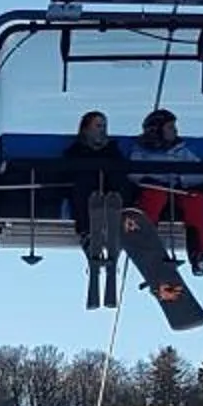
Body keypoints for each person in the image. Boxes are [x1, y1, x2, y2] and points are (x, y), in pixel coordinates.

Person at [126, 108, 203, 275]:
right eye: (170, 127)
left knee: (196, 200)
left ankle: (200, 254)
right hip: (155, 189)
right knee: (154, 197)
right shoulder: (141, 151)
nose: (175, 131)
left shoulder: (181, 150)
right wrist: (152, 179)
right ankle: (148, 245)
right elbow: (134, 175)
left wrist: (182, 178)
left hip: (178, 191)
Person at [63, 111, 126, 309]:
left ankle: (114, 229)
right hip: (87, 194)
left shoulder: (113, 149)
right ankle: (88, 233)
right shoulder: (76, 150)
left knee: (117, 187)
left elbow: (121, 170)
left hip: (110, 194)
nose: (102, 130)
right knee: (83, 185)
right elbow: (67, 170)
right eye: (98, 125)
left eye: (104, 126)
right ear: (86, 128)